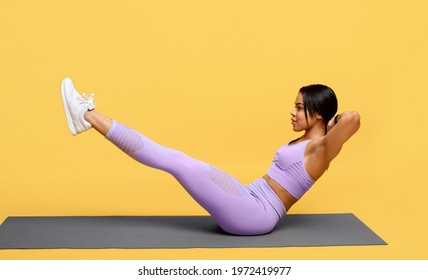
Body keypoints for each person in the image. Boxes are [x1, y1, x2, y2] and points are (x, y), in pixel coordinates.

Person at [60, 78, 360, 236]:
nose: (292, 112)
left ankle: (87, 115)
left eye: (298, 107)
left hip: (255, 215)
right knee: (178, 159)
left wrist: (330, 123)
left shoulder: (320, 150)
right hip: (249, 197)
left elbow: (353, 118)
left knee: (175, 161)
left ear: (318, 114)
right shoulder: (309, 142)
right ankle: (87, 117)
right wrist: (325, 123)